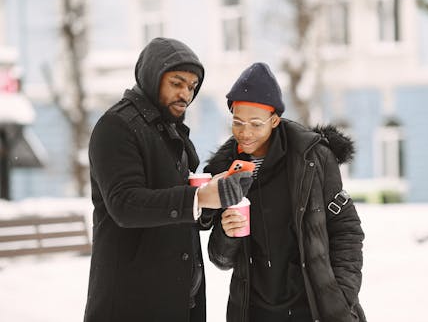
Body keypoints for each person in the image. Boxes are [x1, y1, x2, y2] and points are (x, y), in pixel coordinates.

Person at [83, 37, 252, 322]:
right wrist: (198, 198)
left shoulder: (171, 132)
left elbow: (175, 210)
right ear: (152, 76)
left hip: (178, 301)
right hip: (131, 303)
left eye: (192, 87)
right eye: (177, 83)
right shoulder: (116, 126)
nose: (186, 94)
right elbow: (125, 204)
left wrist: (213, 199)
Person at [205, 62, 366, 322]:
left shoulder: (311, 159)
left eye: (256, 124)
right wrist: (227, 233)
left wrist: (340, 295)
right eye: (237, 122)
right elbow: (221, 258)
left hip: (313, 309)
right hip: (253, 312)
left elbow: (346, 229)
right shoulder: (225, 171)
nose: (245, 133)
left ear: (275, 120)